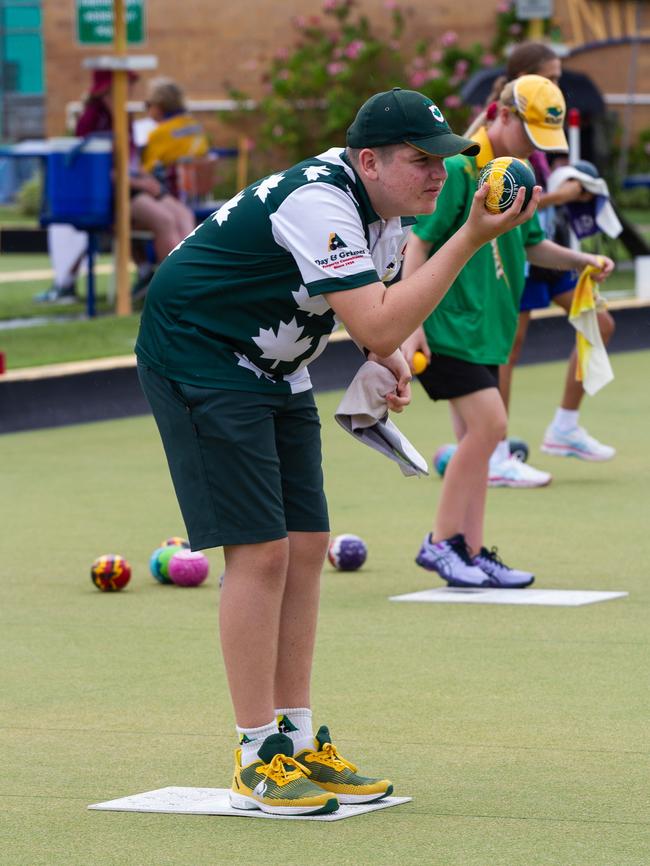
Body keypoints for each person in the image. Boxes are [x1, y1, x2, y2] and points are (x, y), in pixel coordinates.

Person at [135, 87, 539, 816]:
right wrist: (470, 238)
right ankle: (256, 755)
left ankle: (292, 739)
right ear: (368, 161)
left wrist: (380, 354)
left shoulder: (383, 209)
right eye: (421, 161)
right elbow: (381, 324)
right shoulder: (320, 200)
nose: (439, 176)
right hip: (197, 352)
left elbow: (373, 317)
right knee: (259, 551)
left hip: (271, 361)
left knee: (307, 539)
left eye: (443, 160)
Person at [401, 75, 614, 589]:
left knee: (480, 441)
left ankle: (471, 552)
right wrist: (409, 325)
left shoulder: (516, 175)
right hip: (448, 323)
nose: (537, 150)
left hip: (487, 329)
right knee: (491, 428)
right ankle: (441, 544)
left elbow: (535, 245)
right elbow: (417, 243)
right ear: (502, 115)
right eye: (530, 134)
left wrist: (584, 259)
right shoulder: (458, 169)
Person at [472, 43, 616, 474]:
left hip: (540, 238)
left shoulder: (543, 119)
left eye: (558, 77)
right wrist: (563, 193)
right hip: (515, 249)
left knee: (600, 322)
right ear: (523, 78)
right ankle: (495, 451)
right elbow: (499, 195)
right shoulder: (499, 122)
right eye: (549, 77)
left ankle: (564, 427)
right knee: (507, 351)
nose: (556, 85)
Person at [78, 69, 196, 299]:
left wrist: (145, 179)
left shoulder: (124, 118)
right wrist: (140, 183)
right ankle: (174, 289)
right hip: (111, 193)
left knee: (184, 215)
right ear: (107, 89)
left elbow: (131, 162)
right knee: (165, 220)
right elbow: (96, 171)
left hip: (133, 185)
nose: (130, 91)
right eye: (125, 85)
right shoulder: (92, 119)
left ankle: (193, 278)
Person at [140, 76, 210, 199]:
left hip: (171, 194)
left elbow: (146, 171)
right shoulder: (194, 124)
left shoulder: (159, 133)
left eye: (148, 104)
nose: (147, 109)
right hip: (198, 194)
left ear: (159, 105)